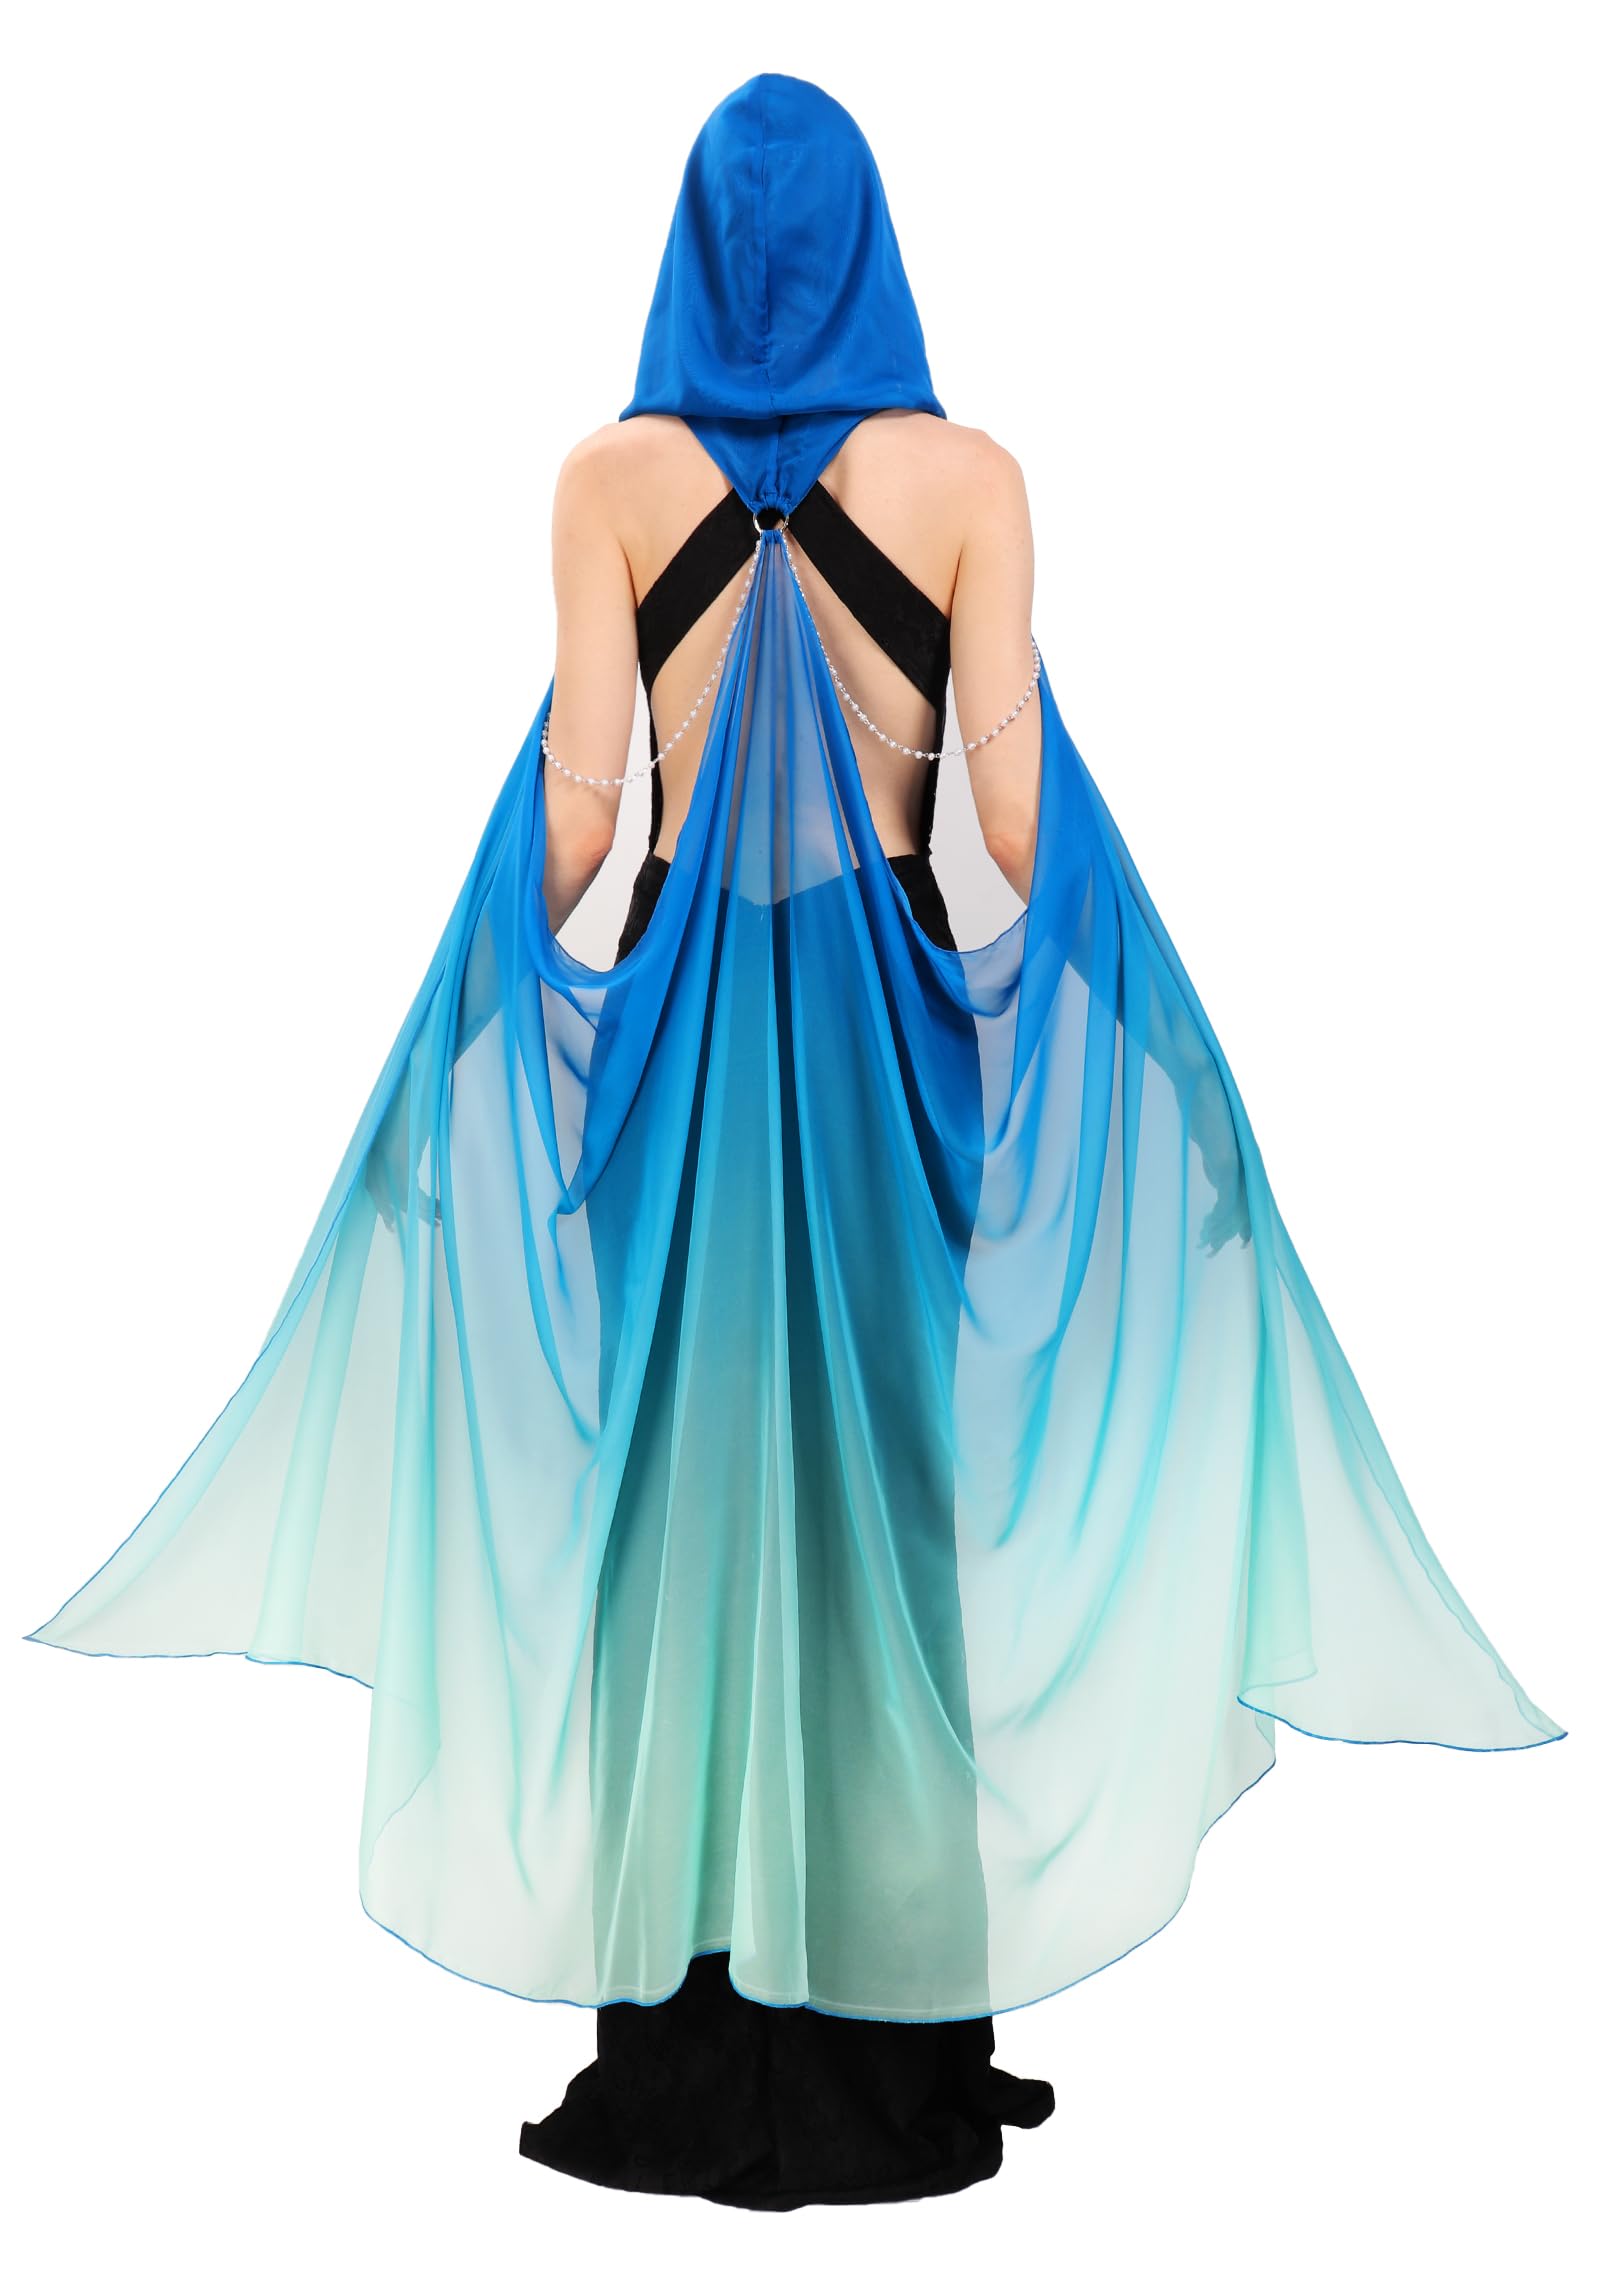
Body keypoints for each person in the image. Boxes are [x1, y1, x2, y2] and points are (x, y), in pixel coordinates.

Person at [26, 72, 1565, 2212]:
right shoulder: (968, 480)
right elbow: (1011, 810)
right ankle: (894, 2045)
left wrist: (487, 1035)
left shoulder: (605, 480)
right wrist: (1118, 1048)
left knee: (673, 1514)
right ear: (870, 244)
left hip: (669, 1049)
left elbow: (583, 816)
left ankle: (680, 2049)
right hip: (887, 1045)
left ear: (689, 246)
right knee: (885, 1529)